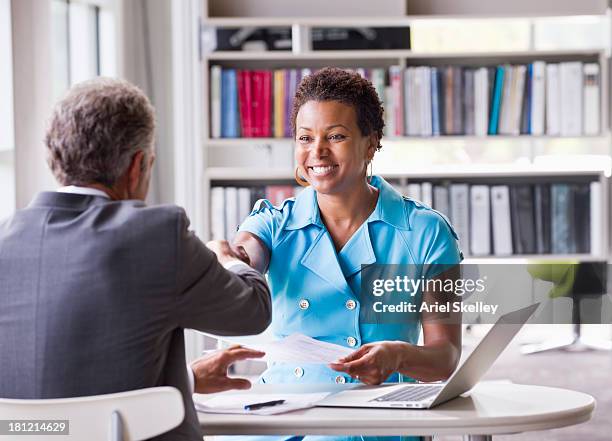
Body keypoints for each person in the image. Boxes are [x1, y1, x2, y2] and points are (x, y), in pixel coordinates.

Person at [0, 78, 271, 441]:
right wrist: (227, 259)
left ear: (55, 157)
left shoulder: (4, 238)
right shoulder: (157, 236)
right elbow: (253, 311)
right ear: (137, 166)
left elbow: (56, 407)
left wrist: (186, 379)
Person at [233, 67, 463, 441]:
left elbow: (446, 357)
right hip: (280, 417)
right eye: (305, 137)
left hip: (374, 419)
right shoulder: (274, 222)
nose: (317, 152)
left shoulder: (426, 232)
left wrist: (398, 355)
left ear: (370, 142)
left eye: (335, 136)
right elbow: (246, 256)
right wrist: (232, 259)